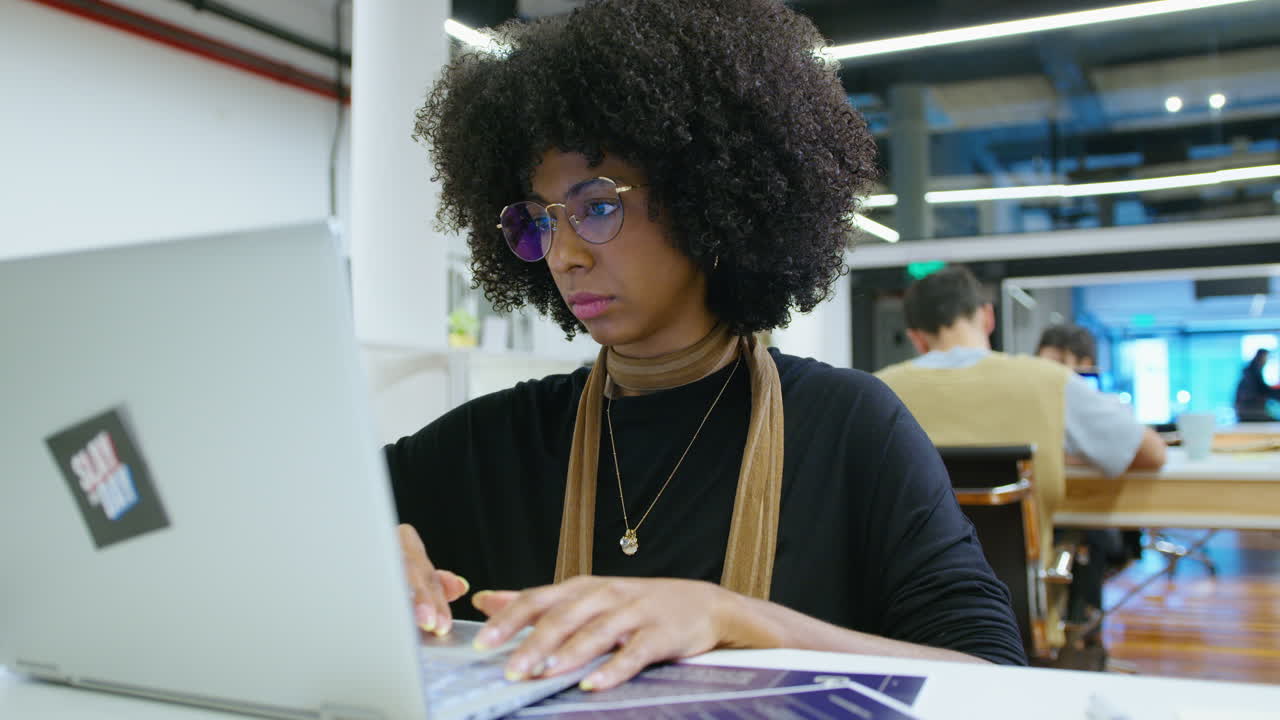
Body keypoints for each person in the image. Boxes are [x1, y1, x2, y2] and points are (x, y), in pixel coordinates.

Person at [386, 0, 1026, 693]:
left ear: (706, 200)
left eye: (597, 205)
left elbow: (992, 681)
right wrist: (350, 554)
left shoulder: (850, 429)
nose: (563, 255)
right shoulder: (493, 444)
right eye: (542, 219)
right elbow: (285, 519)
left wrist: (740, 620)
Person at [875, 266, 1166, 651]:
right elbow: (1149, 453)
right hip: (1018, 609)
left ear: (916, 337)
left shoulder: (878, 391)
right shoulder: (1048, 380)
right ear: (988, 316)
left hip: (904, 615)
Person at [1235, 349, 1280, 422]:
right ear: (1261, 357)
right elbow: (1263, 390)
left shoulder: (1251, 372)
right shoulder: (1253, 373)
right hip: (1250, 412)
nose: (1267, 360)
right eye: (1266, 357)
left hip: (1249, 411)